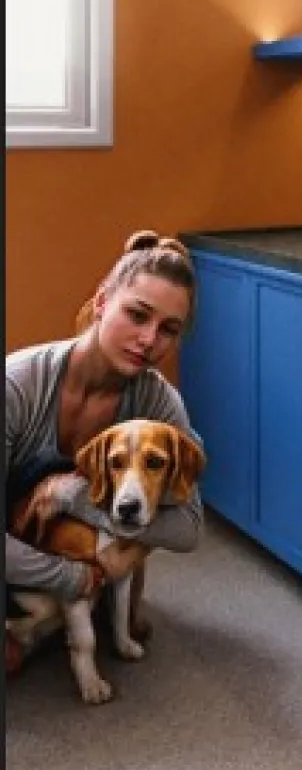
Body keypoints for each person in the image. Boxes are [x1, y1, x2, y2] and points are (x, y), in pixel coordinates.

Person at [5, 231, 205, 675]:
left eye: (169, 330)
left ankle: (64, 617)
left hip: (72, 539)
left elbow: (189, 529)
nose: (149, 339)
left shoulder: (157, 401)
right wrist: (77, 578)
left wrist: (74, 497)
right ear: (101, 303)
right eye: (137, 315)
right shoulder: (17, 386)